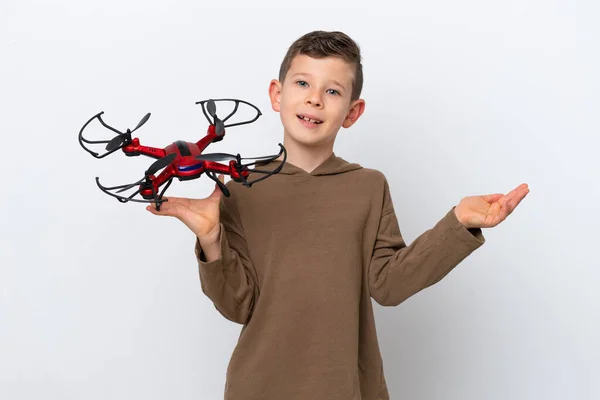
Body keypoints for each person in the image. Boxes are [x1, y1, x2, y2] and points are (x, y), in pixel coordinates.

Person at [146, 30, 530, 400]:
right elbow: (237, 305)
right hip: (259, 387)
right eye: (302, 84)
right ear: (276, 95)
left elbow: (389, 285)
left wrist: (458, 224)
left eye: (332, 91)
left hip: (349, 388)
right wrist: (211, 239)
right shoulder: (239, 188)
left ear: (352, 111)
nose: (314, 100)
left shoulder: (368, 186)